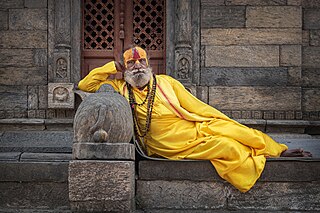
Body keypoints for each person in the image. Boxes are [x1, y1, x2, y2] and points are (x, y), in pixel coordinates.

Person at [78, 46, 311, 192]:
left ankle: (278, 150)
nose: (137, 66)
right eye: (131, 63)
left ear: (149, 65)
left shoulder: (166, 82)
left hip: (192, 127)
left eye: (141, 62)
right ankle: (261, 159)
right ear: (124, 68)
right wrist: (112, 66)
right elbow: (85, 85)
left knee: (237, 131)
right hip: (166, 143)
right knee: (226, 145)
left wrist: (214, 122)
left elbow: (196, 106)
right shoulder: (120, 87)